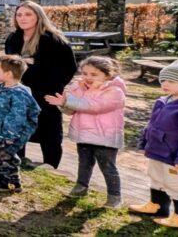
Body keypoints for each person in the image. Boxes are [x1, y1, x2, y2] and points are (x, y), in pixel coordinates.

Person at [128, 60, 178, 232]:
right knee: (156, 178)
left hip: (175, 158)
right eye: (163, 79)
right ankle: (157, 206)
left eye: (171, 81)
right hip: (157, 153)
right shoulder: (163, 101)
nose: (164, 83)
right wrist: (145, 143)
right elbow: (151, 125)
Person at [3, 0, 76, 169]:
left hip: (45, 91)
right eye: (19, 15)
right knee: (18, 125)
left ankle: (50, 165)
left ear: (38, 16)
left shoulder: (53, 39)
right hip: (19, 91)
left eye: (28, 14)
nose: (22, 18)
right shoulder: (13, 38)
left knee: (49, 128)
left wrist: (53, 85)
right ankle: (17, 159)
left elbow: (69, 67)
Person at [45, 56, 126, 208]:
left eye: (94, 74)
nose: (88, 77)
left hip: (104, 137)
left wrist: (67, 101)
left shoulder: (114, 91)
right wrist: (63, 104)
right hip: (84, 134)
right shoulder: (78, 87)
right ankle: (81, 187)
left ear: (108, 74)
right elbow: (71, 110)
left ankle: (115, 196)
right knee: (84, 163)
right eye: (85, 73)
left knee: (107, 166)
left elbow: (94, 106)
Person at [0, 55, 41, 193]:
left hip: (11, 133)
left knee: (8, 155)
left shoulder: (19, 94)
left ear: (8, 74)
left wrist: (10, 134)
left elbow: (17, 117)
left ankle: (12, 181)